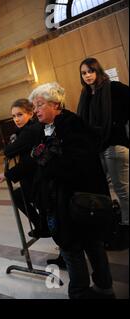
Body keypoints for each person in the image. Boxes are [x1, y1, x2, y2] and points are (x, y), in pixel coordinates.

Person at [29, 82, 114, 299]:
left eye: (39, 105)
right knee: (85, 244)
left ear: (56, 104)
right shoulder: (47, 128)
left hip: (76, 201)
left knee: (74, 247)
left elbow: (75, 165)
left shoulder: (71, 125)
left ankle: (82, 292)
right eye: (34, 106)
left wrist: (46, 161)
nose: (36, 110)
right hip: (64, 200)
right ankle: (101, 288)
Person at [77, 57, 129, 248]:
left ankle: (127, 228)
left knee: (123, 191)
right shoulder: (86, 95)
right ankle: (114, 226)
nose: (88, 75)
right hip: (97, 148)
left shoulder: (112, 87)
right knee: (102, 191)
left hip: (114, 146)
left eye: (91, 71)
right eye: (84, 73)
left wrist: (116, 123)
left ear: (98, 71)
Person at [0, 98, 49, 238]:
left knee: (27, 199)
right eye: (13, 116)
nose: (16, 119)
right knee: (43, 208)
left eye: (20, 115)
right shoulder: (29, 128)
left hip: (38, 178)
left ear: (30, 114)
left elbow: (8, 151)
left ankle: (42, 226)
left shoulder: (30, 131)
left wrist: (8, 173)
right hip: (36, 176)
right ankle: (43, 226)